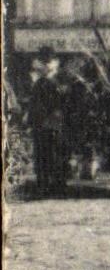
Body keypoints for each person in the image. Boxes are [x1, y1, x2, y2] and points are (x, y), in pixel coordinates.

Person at [27, 47, 68, 198]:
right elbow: (33, 102)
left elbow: (63, 100)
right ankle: (45, 185)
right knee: (44, 154)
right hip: (44, 121)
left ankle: (54, 184)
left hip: (52, 121)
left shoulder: (56, 77)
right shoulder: (36, 78)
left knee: (54, 153)